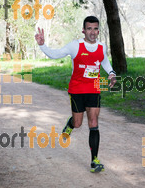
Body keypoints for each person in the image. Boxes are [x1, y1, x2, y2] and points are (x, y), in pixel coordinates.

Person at [35, 16, 117, 173]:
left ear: (98, 30)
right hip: (77, 89)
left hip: (94, 88)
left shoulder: (102, 46)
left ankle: (94, 161)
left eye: (95, 29)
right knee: (78, 123)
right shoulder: (75, 46)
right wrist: (42, 45)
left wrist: (111, 73)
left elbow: (104, 62)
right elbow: (55, 54)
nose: (92, 32)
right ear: (83, 30)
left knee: (93, 122)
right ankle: (70, 125)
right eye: (89, 29)